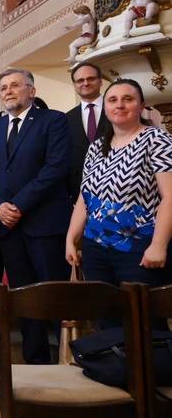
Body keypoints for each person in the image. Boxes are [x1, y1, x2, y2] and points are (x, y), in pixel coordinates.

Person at [0, 68, 71, 364]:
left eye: (15, 85)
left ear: (31, 90)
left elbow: (55, 168)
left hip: (42, 223)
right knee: (23, 299)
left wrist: (18, 205)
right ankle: (36, 362)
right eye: (3, 86)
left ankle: (68, 361)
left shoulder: (53, 121)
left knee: (53, 295)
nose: (7, 91)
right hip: (8, 228)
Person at [66, 78, 172, 288]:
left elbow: (170, 196)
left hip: (139, 246)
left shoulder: (157, 139)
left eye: (128, 99)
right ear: (105, 108)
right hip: (95, 248)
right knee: (105, 317)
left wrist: (159, 245)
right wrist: (71, 238)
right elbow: (84, 197)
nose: (120, 105)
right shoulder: (96, 147)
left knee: (143, 317)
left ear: (142, 106)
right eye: (113, 100)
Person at [67, 62, 108, 199]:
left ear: (100, 81)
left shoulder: (117, 110)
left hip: (116, 188)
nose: (85, 83)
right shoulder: (66, 119)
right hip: (79, 193)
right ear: (74, 85)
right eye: (80, 80)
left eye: (90, 78)